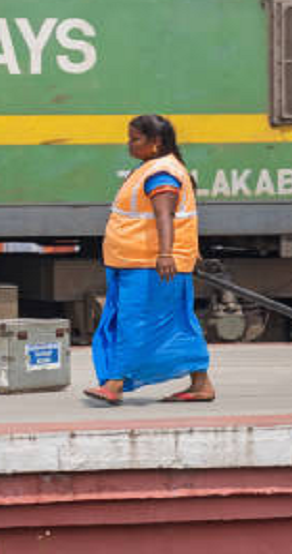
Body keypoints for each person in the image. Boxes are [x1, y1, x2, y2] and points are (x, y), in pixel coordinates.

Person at [84, 114, 215, 405]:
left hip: (150, 265)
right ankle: (201, 384)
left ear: (155, 143)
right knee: (175, 322)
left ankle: (115, 384)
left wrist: (166, 254)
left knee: (135, 321)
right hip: (141, 262)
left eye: (135, 139)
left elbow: (164, 215)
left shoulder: (161, 173)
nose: (129, 145)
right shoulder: (155, 168)